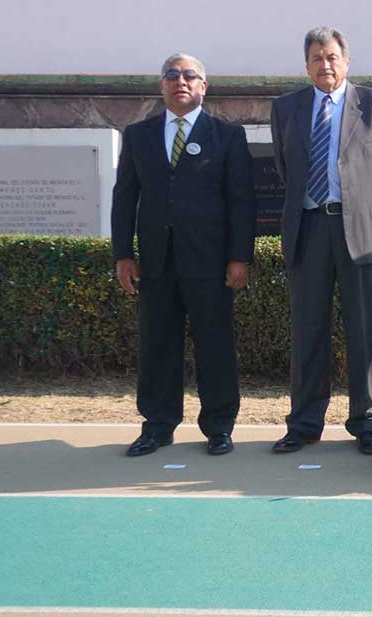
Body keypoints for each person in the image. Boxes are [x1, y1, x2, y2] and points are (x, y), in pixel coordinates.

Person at [270, 26, 372, 455]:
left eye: (332, 57)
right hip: (309, 229)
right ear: (306, 65)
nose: (324, 65)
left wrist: (364, 208)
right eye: (316, 58)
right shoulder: (286, 108)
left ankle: (366, 421)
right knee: (308, 329)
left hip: (363, 233)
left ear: (346, 61)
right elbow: (285, 169)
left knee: (364, 331)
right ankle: (305, 423)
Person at [112, 53, 255, 457]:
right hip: (156, 262)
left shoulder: (226, 136)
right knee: (157, 344)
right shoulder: (138, 135)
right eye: (172, 75)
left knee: (215, 344)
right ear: (161, 86)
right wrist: (123, 253)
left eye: (190, 75)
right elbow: (125, 198)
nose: (181, 81)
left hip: (210, 262)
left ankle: (219, 425)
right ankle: (157, 425)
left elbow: (241, 202)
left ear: (203, 86)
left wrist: (240, 257)